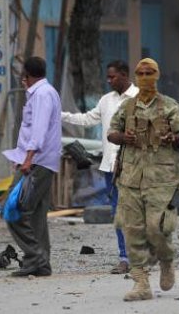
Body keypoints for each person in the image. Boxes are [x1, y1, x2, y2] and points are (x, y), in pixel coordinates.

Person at [107, 58, 179, 302]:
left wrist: (172, 139)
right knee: (132, 230)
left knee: (158, 228)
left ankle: (166, 260)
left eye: (149, 72)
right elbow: (111, 133)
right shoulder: (127, 107)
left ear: (156, 76)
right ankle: (141, 283)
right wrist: (124, 137)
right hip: (131, 177)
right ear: (135, 76)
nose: (144, 76)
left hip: (162, 179)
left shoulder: (169, 106)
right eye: (141, 73)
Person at [61, 60, 139, 274]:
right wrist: (60, 115)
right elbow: (88, 119)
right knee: (118, 214)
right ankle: (125, 258)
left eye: (112, 76)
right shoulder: (106, 101)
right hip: (110, 168)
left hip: (134, 168)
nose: (109, 80)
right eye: (108, 76)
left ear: (124, 75)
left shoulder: (140, 97)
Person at [2, 57, 62, 276]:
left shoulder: (43, 95)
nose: (22, 79)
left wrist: (27, 159)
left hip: (37, 162)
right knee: (36, 214)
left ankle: (34, 258)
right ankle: (42, 264)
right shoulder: (44, 92)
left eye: (23, 75)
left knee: (13, 210)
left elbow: (38, 129)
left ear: (26, 75)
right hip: (40, 161)